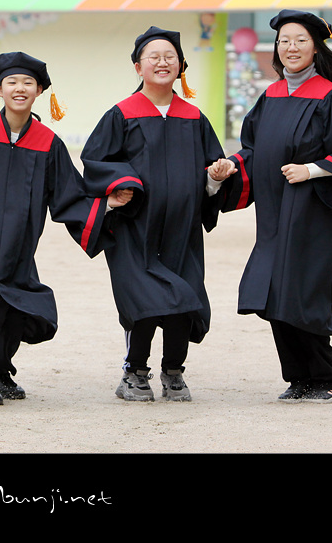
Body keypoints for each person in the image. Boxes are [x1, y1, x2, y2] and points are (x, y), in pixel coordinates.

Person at [0, 52, 133, 406]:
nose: (19, 88)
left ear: (39, 91)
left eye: (27, 83)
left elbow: (69, 193)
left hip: (20, 242)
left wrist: (107, 205)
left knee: (14, 304)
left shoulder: (48, 143)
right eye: (11, 82)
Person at [220, 9, 332, 404]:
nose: (291, 47)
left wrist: (312, 170)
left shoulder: (330, 96)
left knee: (302, 289)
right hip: (274, 210)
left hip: (313, 210)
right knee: (274, 289)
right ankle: (298, 378)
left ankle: (326, 378)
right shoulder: (270, 96)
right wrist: (230, 165)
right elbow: (253, 149)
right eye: (284, 40)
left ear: (316, 47)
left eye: (300, 40)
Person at [81, 26, 234, 402]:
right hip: (135, 229)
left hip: (182, 230)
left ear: (181, 66)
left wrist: (215, 178)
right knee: (145, 299)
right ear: (138, 67)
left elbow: (210, 171)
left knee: (184, 297)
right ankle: (134, 372)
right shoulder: (121, 114)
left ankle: (173, 371)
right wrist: (120, 185)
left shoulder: (194, 118)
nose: (162, 62)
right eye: (154, 57)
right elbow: (96, 162)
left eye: (170, 57)